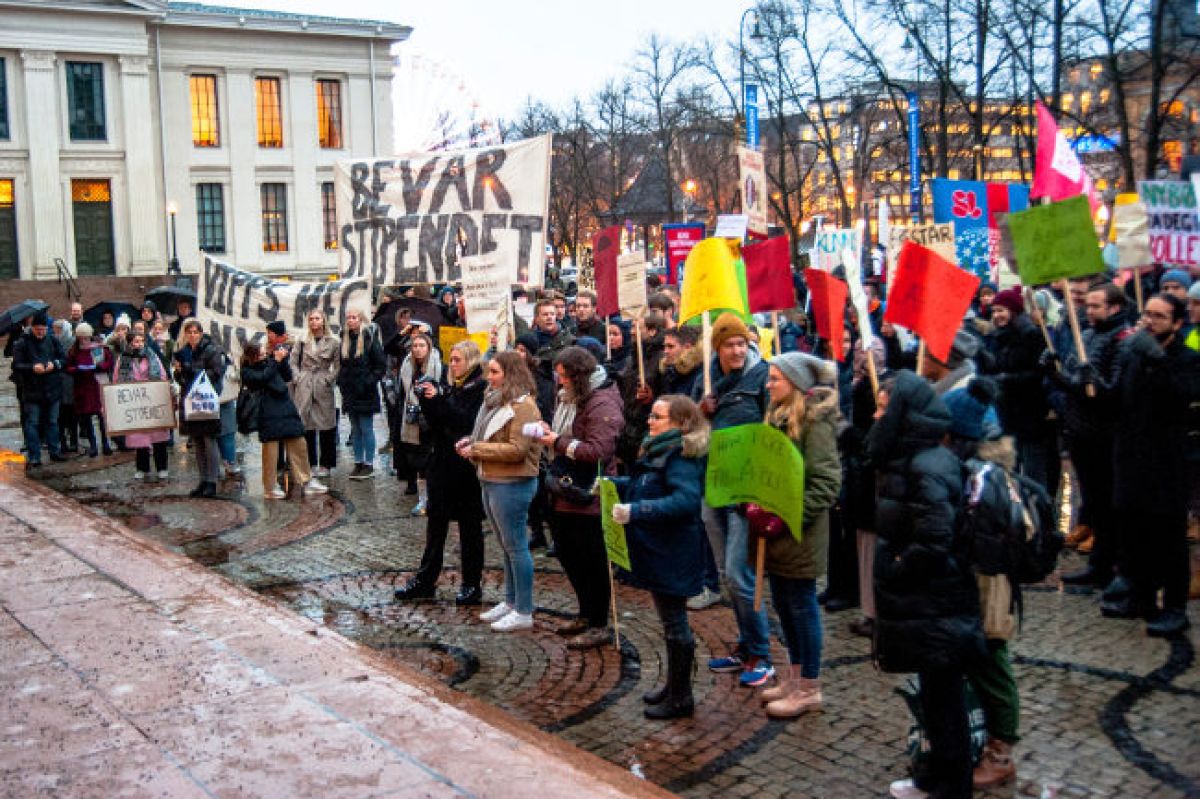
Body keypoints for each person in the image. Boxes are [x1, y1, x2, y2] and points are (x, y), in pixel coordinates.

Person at [868, 371, 985, 799]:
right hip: (928, 601)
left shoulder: (928, 465)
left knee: (946, 701)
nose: (877, 415)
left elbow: (935, 537)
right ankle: (934, 776)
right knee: (935, 698)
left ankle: (953, 787)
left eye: (884, 407)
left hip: (937, 599)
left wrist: (898, 566)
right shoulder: (913, 459)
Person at [1107, 293, 1200, 636]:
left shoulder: (1188, 359)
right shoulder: (1134, 353)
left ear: (1177, 323)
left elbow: (1182, 397)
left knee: (1168, 536)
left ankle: (1174, 606)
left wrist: (1159, 361)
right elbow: (1117, 400)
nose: (1150, 321)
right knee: (1135, 533)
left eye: (1160, 317)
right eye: (1147, 314)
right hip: (1132, 457)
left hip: (1167, 462)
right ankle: (1141, 596)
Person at [757, 353, 842, 718]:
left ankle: (809, 686)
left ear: (794, 383)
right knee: (785, 606)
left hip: (799, 532)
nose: (769, 384)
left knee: (802, 607)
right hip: (775, 530)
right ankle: (793, 677)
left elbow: (826, 483)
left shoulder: (814, 421)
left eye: (775, 378)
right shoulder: (776, 415)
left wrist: (787, 516)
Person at [614, 395, 709, 718]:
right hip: (662, 548)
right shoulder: (659, 449)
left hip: (675, 550)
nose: (649, 422)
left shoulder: (680, 455)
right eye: (651, 416)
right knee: (669, 621)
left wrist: (637, 510)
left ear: (680, 423)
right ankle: (673, 685)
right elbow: (645, 483)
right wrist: (612, 485)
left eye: (658, 417)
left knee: (675, 623)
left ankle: (681, 696)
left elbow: (685, 500)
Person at [693, 312, 774, 688]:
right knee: (727, 573)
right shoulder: (706, 380)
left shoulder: (763, 377)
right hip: (715, 481)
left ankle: (762, 652)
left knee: (741, 575)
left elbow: (774, 429)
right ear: (718, 348)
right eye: (730, 344)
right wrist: (701, 413)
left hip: (746, 487)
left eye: (742, 343)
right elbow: (692, 433)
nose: (738, 350)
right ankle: (745, 643)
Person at [537, 346, 623, 649]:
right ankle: (586, 612)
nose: (560, 383)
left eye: (564, 377)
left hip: (589, 493)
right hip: (566, 490)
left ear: (579, 376)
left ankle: (599, 621)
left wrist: (557, 442)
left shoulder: (601, 403)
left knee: (592, 561)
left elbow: (598, 450)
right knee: (569, 553)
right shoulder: (570, 399)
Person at [1050, 283, 1131, 592]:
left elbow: (1112, 392)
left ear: (1114, 308)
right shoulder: (1086, 335)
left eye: (1096, 306)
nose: (1089, 310)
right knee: (1095, 502)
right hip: (1081, 431)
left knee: (1109, 503)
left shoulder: (1122, 340)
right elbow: (1075, 385)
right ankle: (1098, 564)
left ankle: (1113, 565)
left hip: (1105, 435)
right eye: (1089, 305)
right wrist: (1056, 374)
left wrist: (1092, 379)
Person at [395, 341, 488, 604]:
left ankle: (471, 583)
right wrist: (428, 399)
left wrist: (439, 400)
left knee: (470, 528)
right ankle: (426, 579)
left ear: (469, 360)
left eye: (458, 359)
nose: (453, 364)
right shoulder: (453, 386)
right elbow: (438, 421)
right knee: (436, 525)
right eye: (452, 359)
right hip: (442, 464)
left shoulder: (479, 389)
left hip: (465, 469)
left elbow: (464, 422)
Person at [460, 351, 543, 632]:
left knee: (517, 547)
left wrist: (477, 449)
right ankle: (510, 601)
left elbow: (518, 450)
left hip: (513, 482)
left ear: (510, 373)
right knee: (507, 548)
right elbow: (489, 436)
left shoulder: (524, 406)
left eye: (494, 372)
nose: (489, 378)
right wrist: (471, 442)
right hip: (492, 478)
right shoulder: (497, 402)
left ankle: (523, 609)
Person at [981, 288, 1053, 494]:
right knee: (1010, 469)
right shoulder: (997, 337)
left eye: (1001, 310)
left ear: (1013, 310)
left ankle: (1040, 513)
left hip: (1030, 414)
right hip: (1006, 412)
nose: (997, 315)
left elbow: (1039, 373)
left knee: (1033, 472)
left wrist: (1006, 379)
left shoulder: (1031, 335)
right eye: (994, 311)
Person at [241, 341, 328, 499]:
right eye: (261, 350)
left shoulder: (270, 362)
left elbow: (287, 376)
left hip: (285, 407)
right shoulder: (247, 371)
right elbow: (263, 377)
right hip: (267, 411)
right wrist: (276, 361)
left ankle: (306, 480)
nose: (264, 351)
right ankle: (270, 486)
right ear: (253, 354)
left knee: (298, 442)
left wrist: (283, 360)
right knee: (271, 451)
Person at [173, 319, 226, 498]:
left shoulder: (212, 350)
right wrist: (179, 372)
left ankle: (212, 480)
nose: (193, 335)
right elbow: (181, 379)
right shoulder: (182, 352)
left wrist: (192, 371)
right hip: (189, 401)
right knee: (197, 442)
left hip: (206, 400)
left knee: (209, 441)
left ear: (201, 333)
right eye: (190, 332)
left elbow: (217, 373)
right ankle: (203, 479)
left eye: (196, 332)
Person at [113, 330, 171, 481]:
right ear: (130, 343)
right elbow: (117, 379)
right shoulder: (123, 359)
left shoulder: (152, 356)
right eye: (135, 341)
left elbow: (163, 375)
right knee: (140, 440)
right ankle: (142, 468)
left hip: (153, 401)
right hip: (135, 403)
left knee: (159, 438)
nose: (138, 344)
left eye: (141, 341)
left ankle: (162, 467)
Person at [13, 312, 68, 468]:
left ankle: (54, 451)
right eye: (38, 329)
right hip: (32, 390)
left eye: (43, 329)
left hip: (52, 388)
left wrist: (55, 364)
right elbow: (16, 365)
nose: (40, 332)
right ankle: (34, 455)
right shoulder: (22, 343)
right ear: (32, 328)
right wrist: (31, 367)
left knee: (52, 422)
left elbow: (64, 359)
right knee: (33, 423)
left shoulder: (53, 340)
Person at [337, 305, 386, 479]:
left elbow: (380, 365)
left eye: (354, 317)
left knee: (366, 428)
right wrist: (341, 382)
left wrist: (368, 382)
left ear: (360, 319)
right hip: (350, 391)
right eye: (348, 317)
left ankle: (369, 463)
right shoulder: (344, 338)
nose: (351, 320)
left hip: (365, 392)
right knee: (355, 429)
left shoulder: (369, 337)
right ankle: (358, 462)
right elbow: (342, 365)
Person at [395, 331, 442, 514]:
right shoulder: (407, 366)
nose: (418, 349)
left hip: (431, 419)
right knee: (416, 461)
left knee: (429, 460)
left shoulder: (437, 366)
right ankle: (423, 499)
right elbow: (402, 392)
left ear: (429, 348)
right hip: (411, 418)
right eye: (415, 346)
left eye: (422, 346)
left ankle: (432, 497)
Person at [291, 309, 341, 478]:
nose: (313, 322)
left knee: (327, 424)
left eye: (317, 318)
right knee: (306, 424)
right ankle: (310, 463)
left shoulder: (334, 341)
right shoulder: (302, 339)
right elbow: (293, 362)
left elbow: (338, 364)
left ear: (323, 320)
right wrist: (297, 377)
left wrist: (329, 379)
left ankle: (326, 463)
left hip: (322, 382)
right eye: (311, 319)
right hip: (305, 383)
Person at [65, 323, 114, 458]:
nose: (84, 340)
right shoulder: (74, 351)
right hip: (82, 387)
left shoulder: (100, 349)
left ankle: (106, 443)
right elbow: (68, 367)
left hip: (97, 385)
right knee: (86, 418)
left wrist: (99, 366)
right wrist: (77, 369)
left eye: (86, 337)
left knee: (102, 416)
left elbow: (109, 363)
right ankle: (93, 445)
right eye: (81, 338)